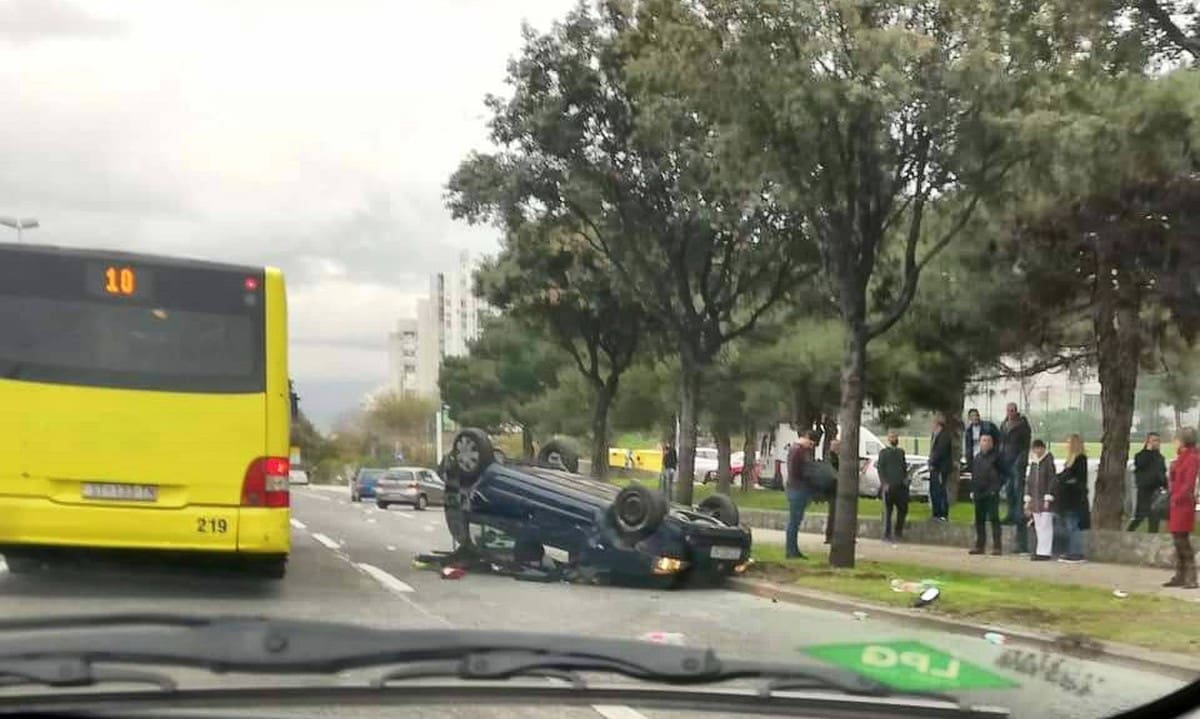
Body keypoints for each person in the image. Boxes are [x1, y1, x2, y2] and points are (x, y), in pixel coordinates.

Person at [1165, 427, 1198, 588]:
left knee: (1182, 540)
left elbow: (1188, 483)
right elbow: (1174, 480)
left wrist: (1177, 498)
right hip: (1176, 503)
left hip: (1183, 504)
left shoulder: (1191, 458)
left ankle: (1191, 576)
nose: (1173, 443)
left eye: (1176, 439)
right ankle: (1180, 575)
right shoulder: (1180, 458)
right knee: (1177, 541)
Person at [1051, 434, 1088, 563]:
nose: (1066, 445)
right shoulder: (1070, 459)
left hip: (1074, 498)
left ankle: (1076, 552)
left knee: (1072, 525)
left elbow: (1077, 478)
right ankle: (1069, 550)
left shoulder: (1080, 459)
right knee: (1067, 525)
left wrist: (1064, 480)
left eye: (1068, 442)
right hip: (1066, 498)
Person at [999, 404, 1032, 542]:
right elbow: (1001, 443)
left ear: (1016, 411)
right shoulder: (1004, 424)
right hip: (1006, 461)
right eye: (1008, 410)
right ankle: (1010, 515)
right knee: (1009, 490)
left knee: (1018, 489)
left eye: (1012, 411)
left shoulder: (1023, 426)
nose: (1010, 413)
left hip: (1018, 462)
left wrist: (1020, 461)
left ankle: (1019, 516)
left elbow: (1025, 446)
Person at [969, 434, 1004, 555]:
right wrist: (973, 490)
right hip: (979, 492)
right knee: (979, 520)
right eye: (984, 440)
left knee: (994, 519)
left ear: (992, 443)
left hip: (991, 493)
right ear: (980, 442)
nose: (986, 443)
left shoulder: (997, 457)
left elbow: (1003, 475)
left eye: (989, 440)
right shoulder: (977, 458)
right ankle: (980, 545)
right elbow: (974, 475)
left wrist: (996, 488)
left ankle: (997, 546)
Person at [784, 432, 817, 559]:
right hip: (797, 489)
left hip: (795, 488)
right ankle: (791, 551)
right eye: (811, 443)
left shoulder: (795, 449)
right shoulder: (799, 451)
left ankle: (793, 549)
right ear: (806, 439)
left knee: (795, 522)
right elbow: (799, 471)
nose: (811, 447)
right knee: (794, 522)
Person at [1128, 432, 1167, 533]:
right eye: (1154, 440)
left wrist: (1165, 485)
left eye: (1158, 441)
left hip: (1156, 491)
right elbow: (1140, 464)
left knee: (1154, 517)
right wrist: (1148, 451)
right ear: (1148, 442)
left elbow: (1162, 472)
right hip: (1144, 490)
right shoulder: (1140, 455)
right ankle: (1129, 532)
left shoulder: (1160, 457)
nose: (1156, 443)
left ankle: (1152, 537)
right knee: (1140, 515)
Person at [1025, 439, 1056, 561]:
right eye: (1034, 449)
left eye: (1038, 448)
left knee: (1045, 525)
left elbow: (1052, 479)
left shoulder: (1048, 461)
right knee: (1038, 525)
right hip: (1035, 499)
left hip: (1044, 498)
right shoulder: (1033, 462)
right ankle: (1040, 550)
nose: (1037, 451)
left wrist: (1048, 497)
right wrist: (1028, 498)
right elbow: (1029, 481)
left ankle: (1045, 552)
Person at [878, 430, 909, 542]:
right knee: (887, 511)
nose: (894, 439)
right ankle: (886, 534)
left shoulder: (901, 452)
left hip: (900, 486)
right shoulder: (883, 453)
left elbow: (904, 467)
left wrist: (905, 480)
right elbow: (880, 469)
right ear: (888, 438)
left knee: (902, 510)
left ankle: (898, 533)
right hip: (889, 486)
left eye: (895, 436)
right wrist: (884, 483)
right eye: (892, 437)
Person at [927, 415, 953, 522]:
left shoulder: (944, 436)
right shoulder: (935, 435)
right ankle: (935, 513)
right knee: (934, 491)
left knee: (940, 491)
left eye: (932, 423)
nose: (931, 426)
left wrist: (932, 462)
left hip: (941, 468)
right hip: (934, 468)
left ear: (937, 424)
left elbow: (940, 452)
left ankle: (942, 514)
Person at [824, 439, 841, 544]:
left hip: (835, 488)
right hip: (833, 489)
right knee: (833, 513)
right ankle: (829, 536)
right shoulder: (830, 457)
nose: (839, 448)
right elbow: (832, 471)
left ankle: (833, 535)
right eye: (837, 446)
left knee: (835, 513)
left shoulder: (835, 457)